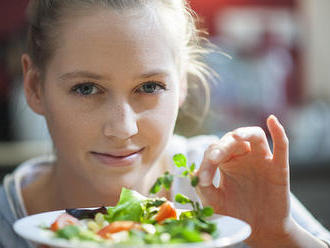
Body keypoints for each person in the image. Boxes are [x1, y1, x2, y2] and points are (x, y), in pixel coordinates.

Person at [0, 0, 329, 247]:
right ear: (34, 87)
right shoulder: (8, 215)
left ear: (182, 85)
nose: (123, 128)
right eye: (86, 89)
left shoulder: (227, 178)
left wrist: (278, 234)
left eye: (149, 87)